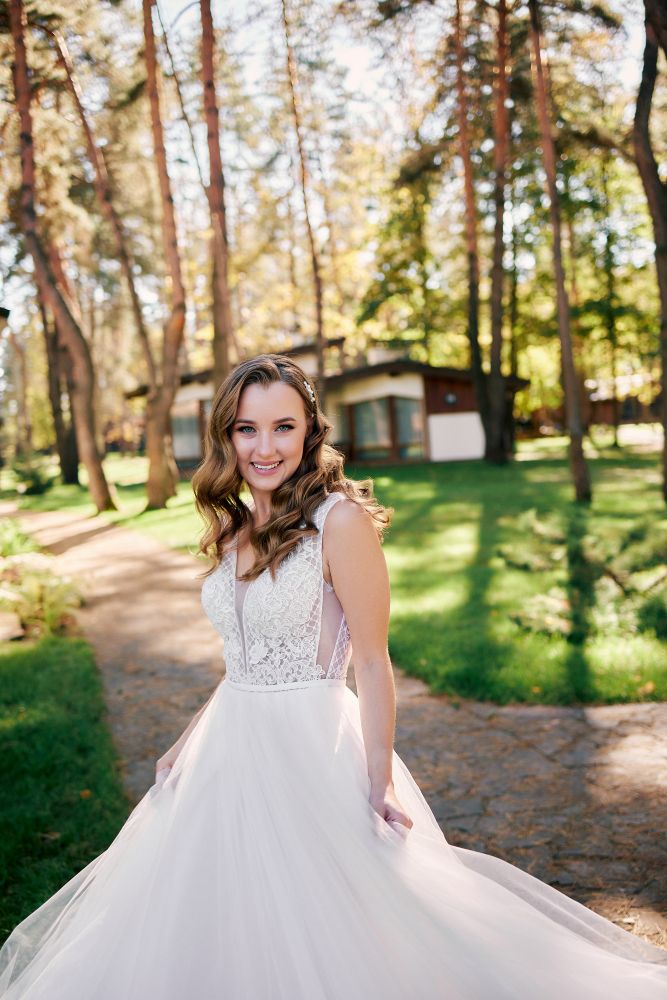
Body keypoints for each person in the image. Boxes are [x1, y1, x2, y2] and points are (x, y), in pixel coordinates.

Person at [1, 353, 666, 1000]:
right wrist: (185, 741)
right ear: (226, 436)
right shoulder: (233, 532)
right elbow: (244, 663)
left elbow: (372, 661)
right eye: (247, 428)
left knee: (337, 918)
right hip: (227, 751)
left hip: (311, 750)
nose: (265, 447)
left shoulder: (339, 524)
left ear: (309, 431)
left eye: (283, 426)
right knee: (224, 915)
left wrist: (378, 779)